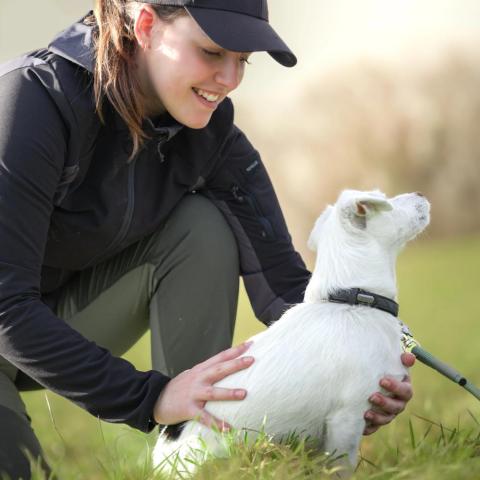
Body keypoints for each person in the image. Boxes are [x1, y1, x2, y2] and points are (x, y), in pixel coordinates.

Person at [0, 1, 415, 478]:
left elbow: (288, 293)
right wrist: (151, 397)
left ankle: (197, 454)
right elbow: (5, 304)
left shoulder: (210, 135)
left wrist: (362, 369)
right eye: (213, 51)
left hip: (52, 323)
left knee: (202, 225)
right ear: (147, 25)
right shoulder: (29, 102)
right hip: (9, 312)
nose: (230, 78)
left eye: (243, 60)